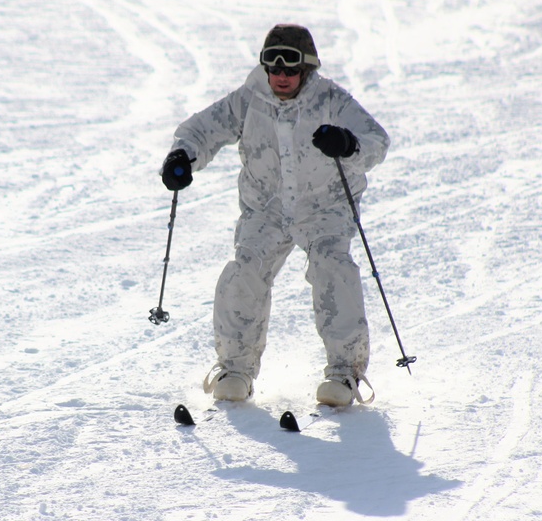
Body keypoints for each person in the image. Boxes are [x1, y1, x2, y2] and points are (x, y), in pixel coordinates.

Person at [160, 24, 390, 408]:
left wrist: (348, 144)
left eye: (291, 68)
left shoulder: (331, 100)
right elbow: (203, 130)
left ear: (307, 69)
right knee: (245, 269)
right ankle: (235, 369)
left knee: (332, 268)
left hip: (323, 207)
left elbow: (376, 141)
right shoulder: (249, 99)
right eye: (274, 67)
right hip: (265, 208)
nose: (281, 76)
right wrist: (183, 155)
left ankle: (345, 373)